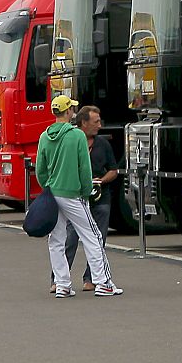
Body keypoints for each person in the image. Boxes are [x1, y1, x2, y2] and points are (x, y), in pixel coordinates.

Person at [36, 95, 122, 298]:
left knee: (56, 240)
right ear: (67, 112)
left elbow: (40, 170)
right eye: (71, 109)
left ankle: (62, 284)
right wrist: (85, 190)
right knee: (93, 236)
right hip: (73, 194)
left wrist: (47, 187)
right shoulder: (77, 136)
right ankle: (103, 282)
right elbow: (85, 169)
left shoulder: (44, 136)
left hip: (53, 193)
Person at [58, 105, 118, 290]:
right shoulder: (72, 141)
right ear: (83, 123)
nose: (99, 125)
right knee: (70, 237)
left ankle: (91, 278)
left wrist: (100, 181)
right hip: (77, 199)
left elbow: (114, 170)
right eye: (96, 122)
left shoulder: (103, 144)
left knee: (98, 239)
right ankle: (59, 279)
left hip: (101, 198)